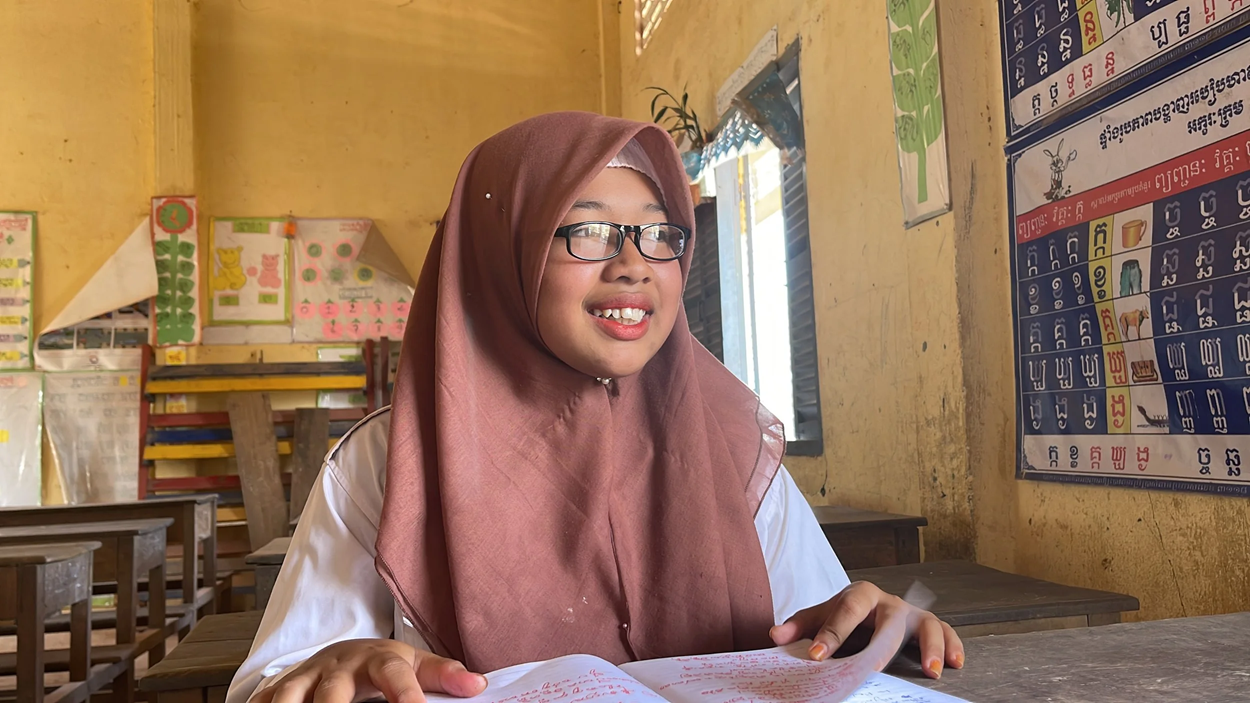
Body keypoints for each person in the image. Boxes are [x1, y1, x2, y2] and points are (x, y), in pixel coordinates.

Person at [226, 112, 963, 703]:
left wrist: (873, 634)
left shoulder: (729, 442)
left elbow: (821, 634)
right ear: (498, 254)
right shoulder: (386, 464)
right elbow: (273, 684)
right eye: (587, 230)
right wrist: (339, 665)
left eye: (659, 233)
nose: (634, 263)